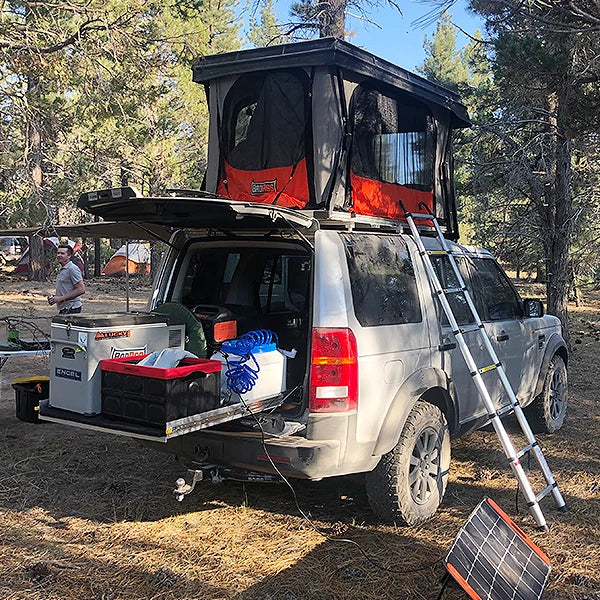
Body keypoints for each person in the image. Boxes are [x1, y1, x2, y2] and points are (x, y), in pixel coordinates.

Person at [48, 244, 85, 314]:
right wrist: (55, 298)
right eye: (58, 253)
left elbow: (81, 290)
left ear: (69, 256)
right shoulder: (61, 269)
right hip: (64, 308)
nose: (59, 255)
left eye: (62, 253)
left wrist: (61, 299)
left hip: (72, 308)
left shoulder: (72, 269)